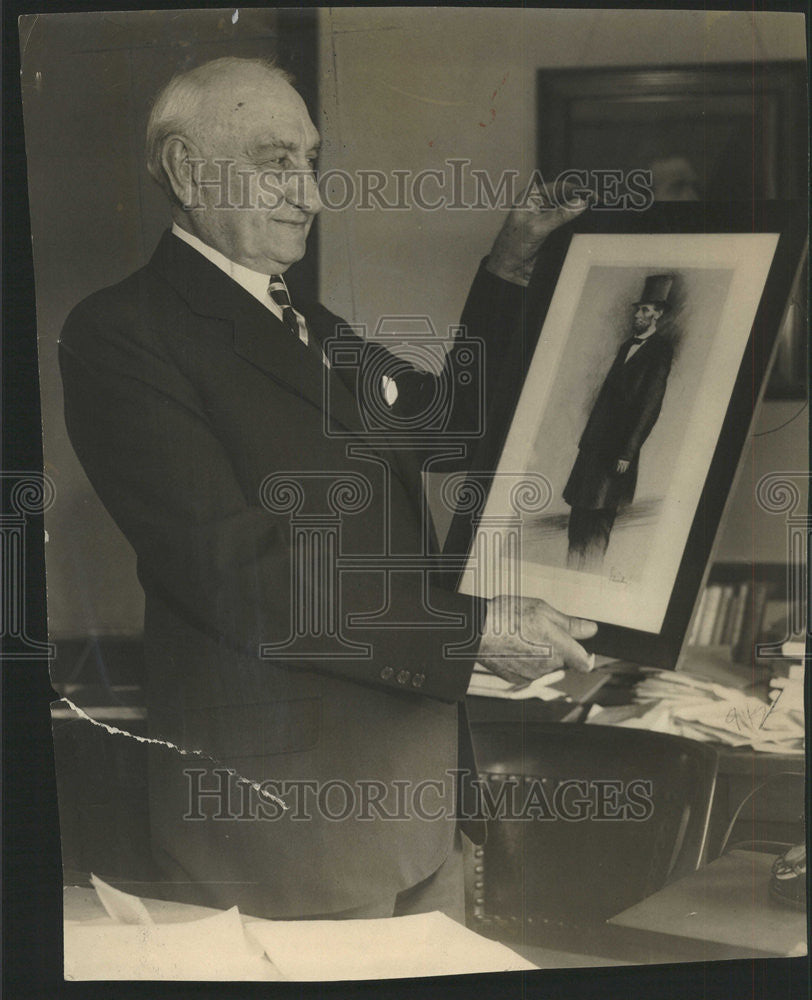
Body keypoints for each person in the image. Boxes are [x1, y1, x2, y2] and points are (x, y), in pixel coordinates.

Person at [58, 57, 595, 922]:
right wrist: (477, 628)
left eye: (312, 163)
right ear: (190, 171)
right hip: (286, 827)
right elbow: (243, 575)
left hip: (418, 791)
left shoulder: (306, 324)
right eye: (278, 162)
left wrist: (509, 270)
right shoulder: (121, 335)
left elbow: (445, 428)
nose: (309, 195)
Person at [563, 274, 675, 569]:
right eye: (638, 310)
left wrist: (628, 451)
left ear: (658, 314)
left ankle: (589, 576)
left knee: (600, 515)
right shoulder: (626, 345)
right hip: (595, 445)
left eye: (646, 310)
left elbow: (650, 406)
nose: (638, 315)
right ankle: (570, 569)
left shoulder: (661, 351)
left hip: (617, 449)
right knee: (579, 512)